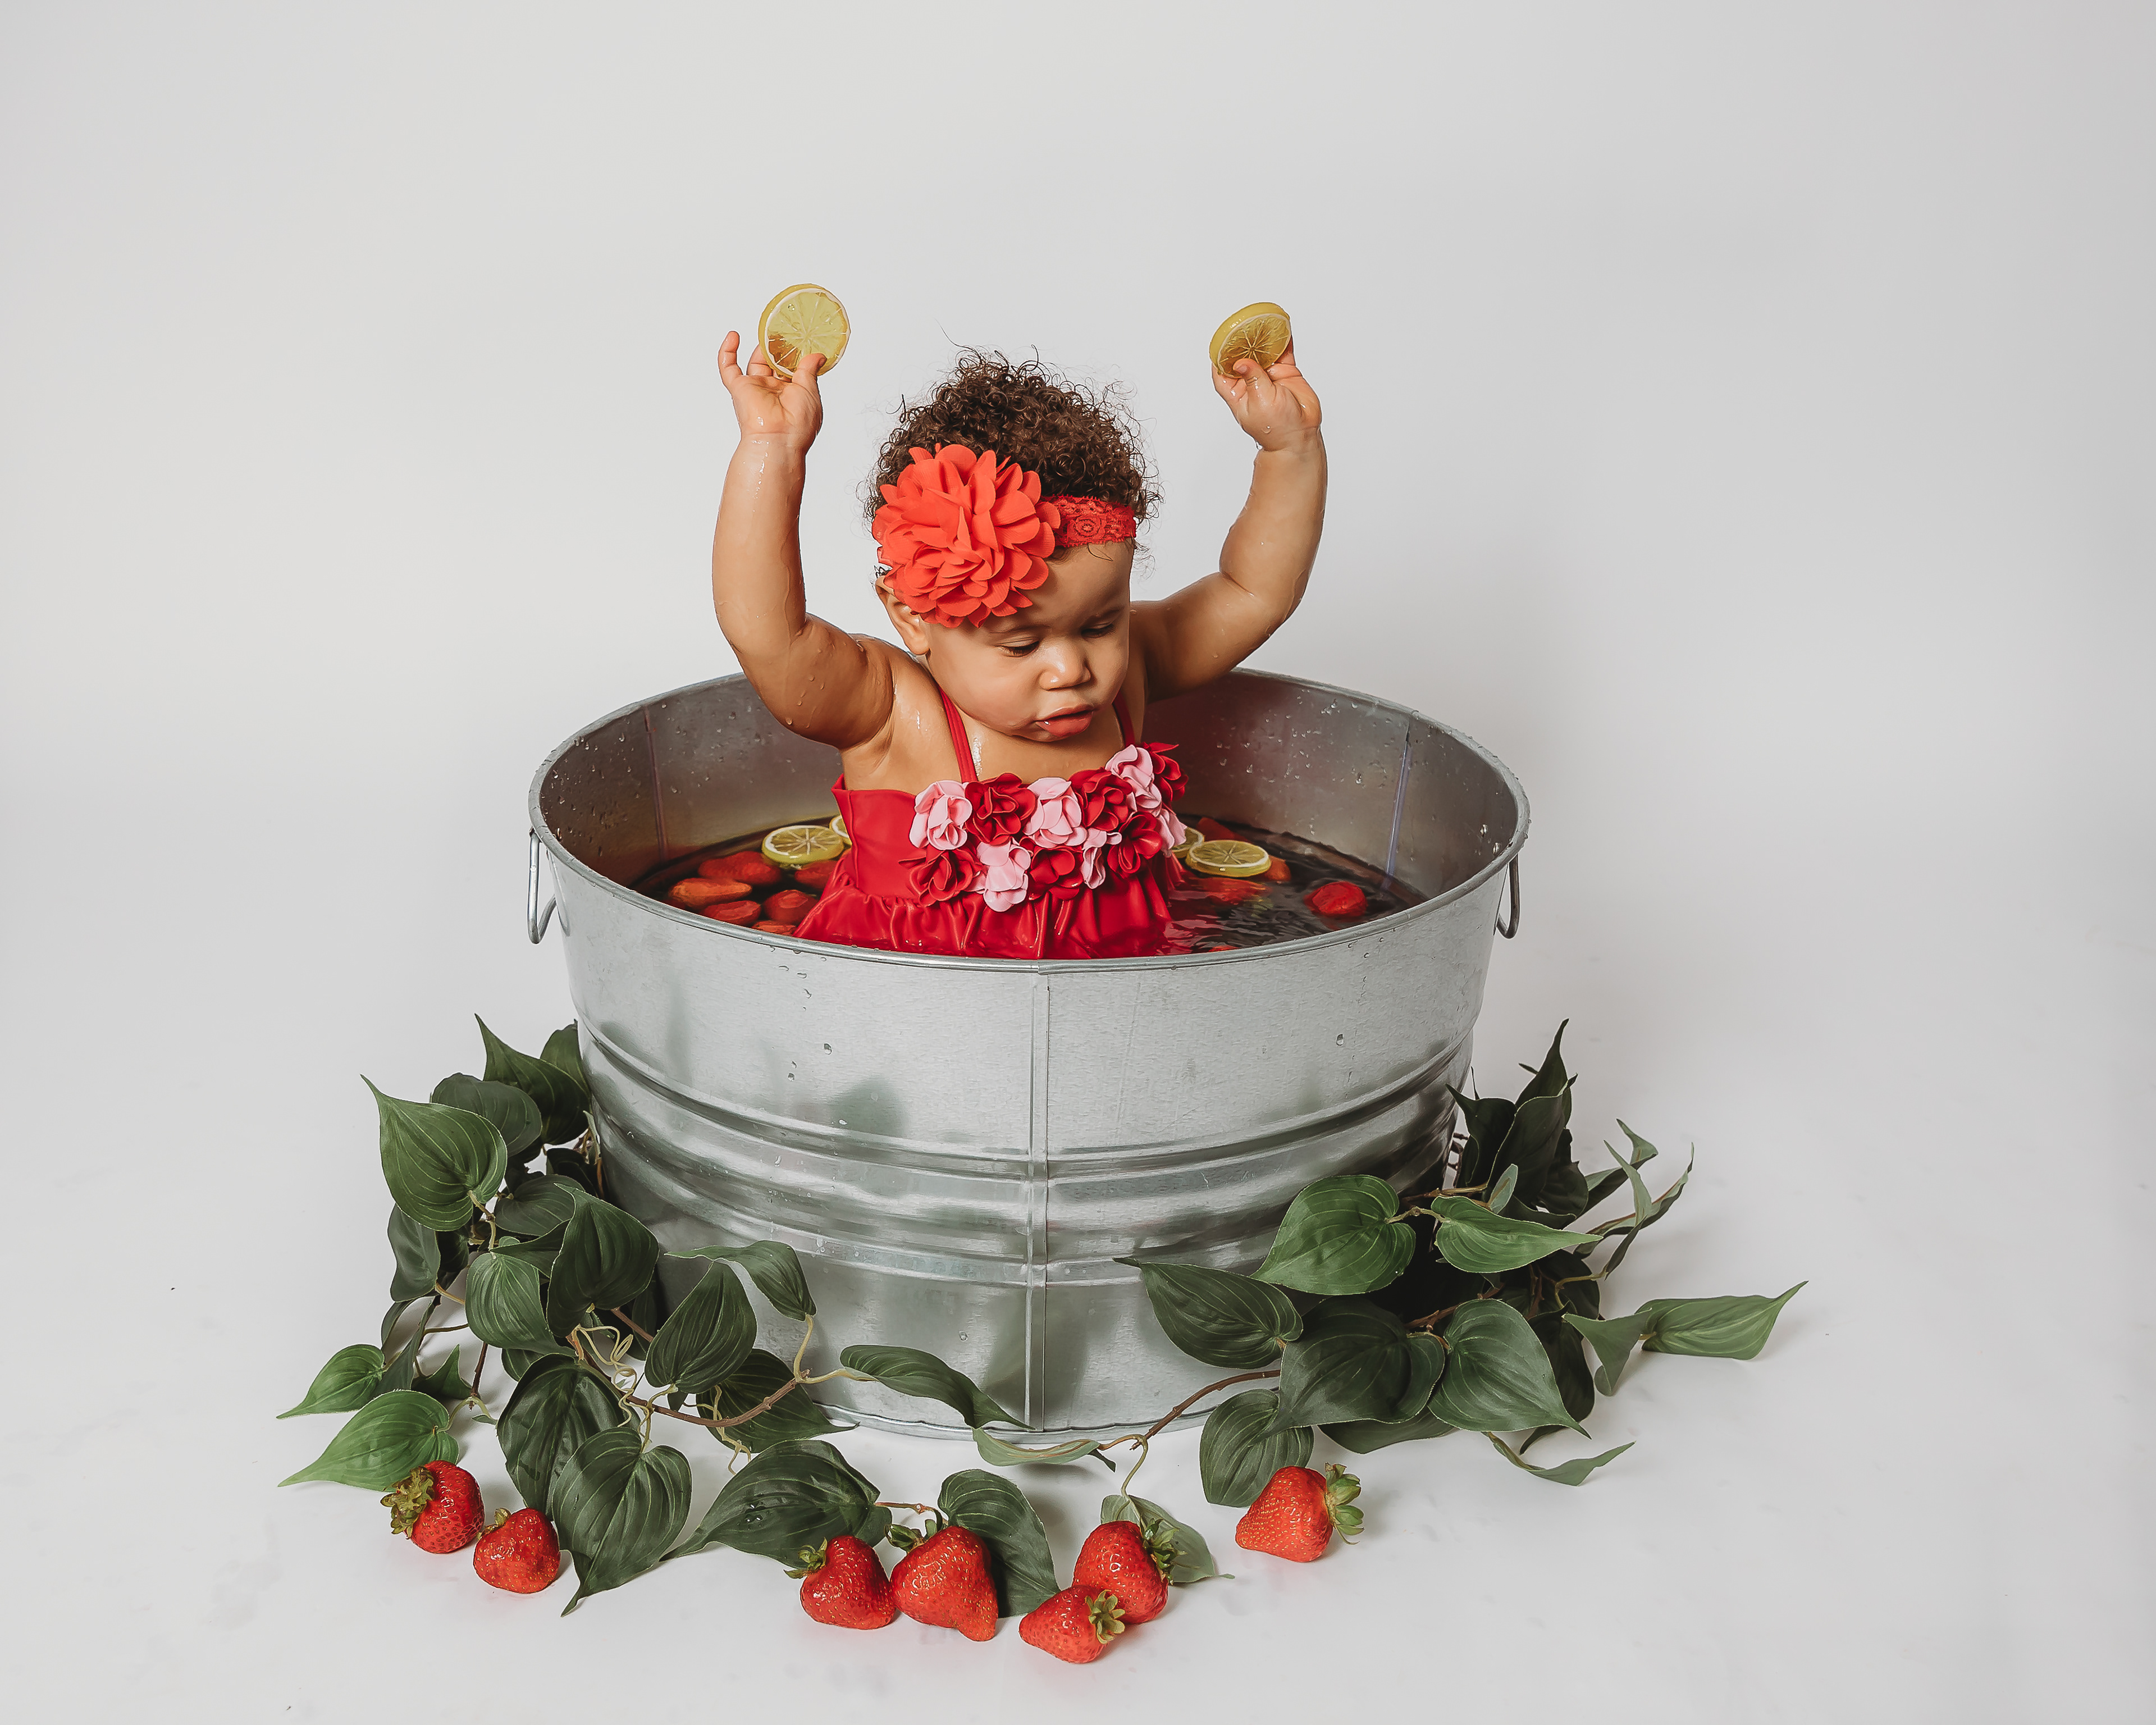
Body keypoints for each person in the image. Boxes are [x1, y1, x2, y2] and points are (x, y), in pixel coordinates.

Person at [710, 332, 1324, 958]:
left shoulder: (1135, 665)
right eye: (1021, 645)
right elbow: (767, 634)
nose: (1071, 669)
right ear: (913, 617)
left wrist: (1290, 448)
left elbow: (1253, 592)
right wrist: (772, 448)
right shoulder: (889, 710)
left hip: (1122, 982)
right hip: (918, 992)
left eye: (1098, 627)